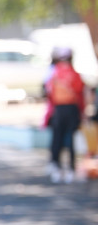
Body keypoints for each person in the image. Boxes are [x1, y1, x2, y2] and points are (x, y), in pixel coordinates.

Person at [45, 47, 85, 183]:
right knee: (70, 139)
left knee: (57, 138)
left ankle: (56, 166)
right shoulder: (74, 74)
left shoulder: (54, 73)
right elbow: (80, 93)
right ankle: (71, 169)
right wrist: (82, 112)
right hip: (72, 109)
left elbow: (49, 93)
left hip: (58, 110)